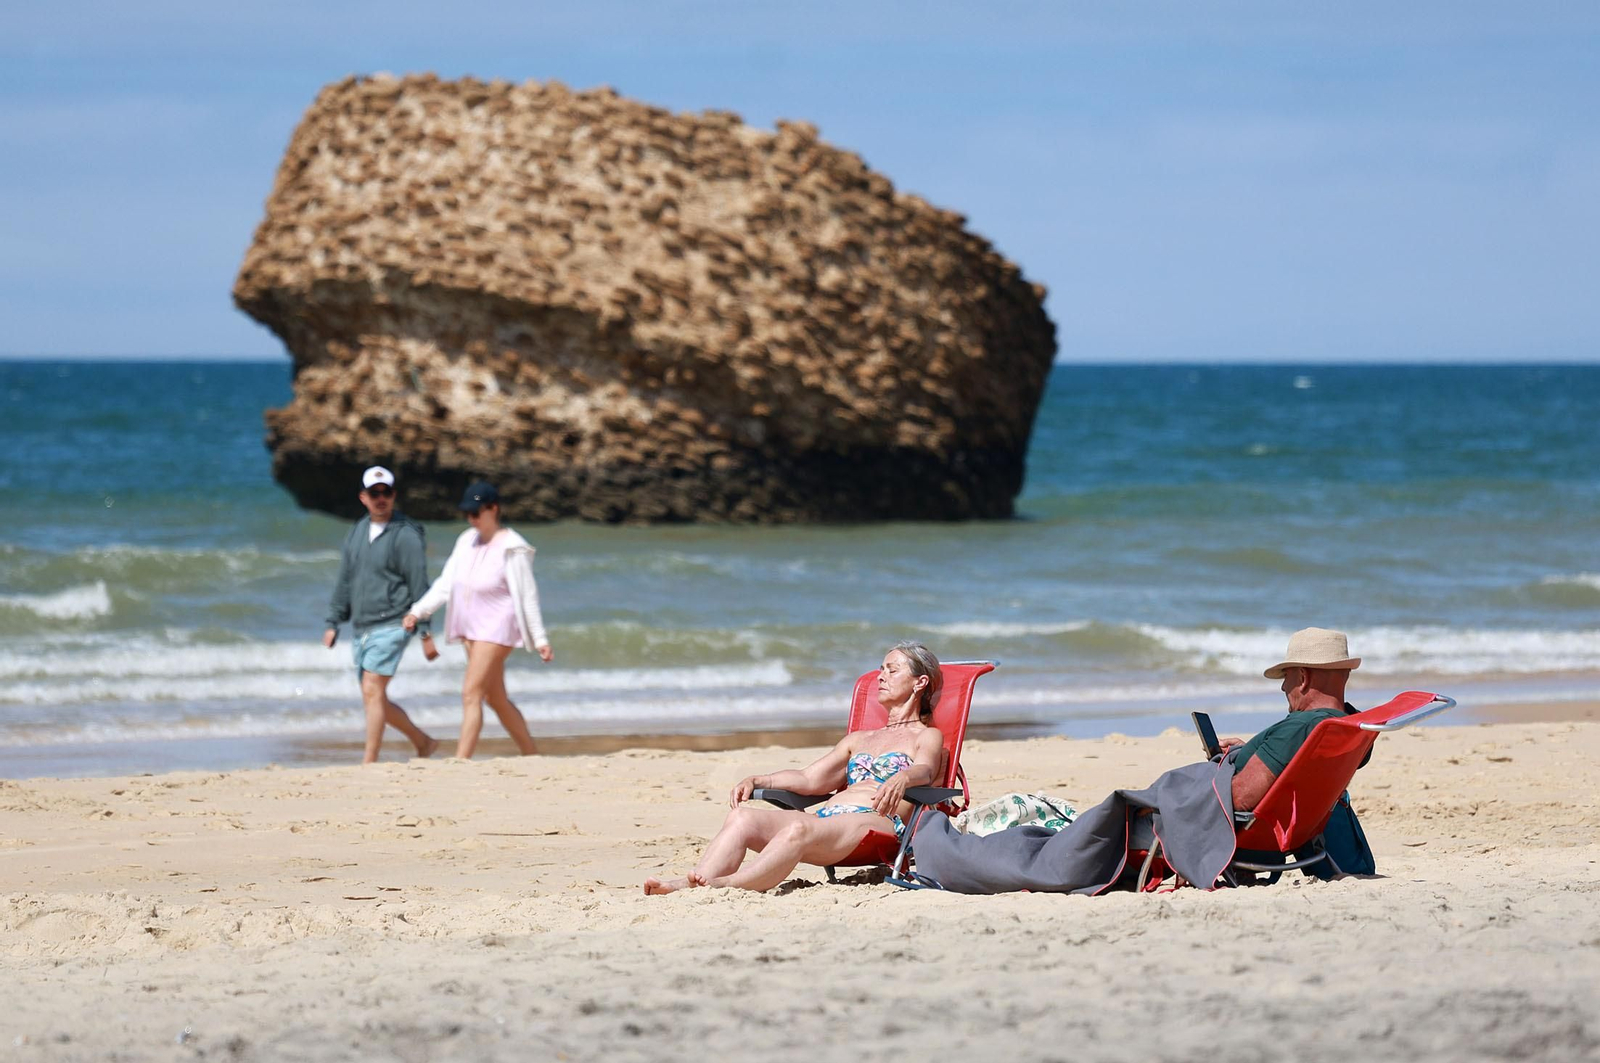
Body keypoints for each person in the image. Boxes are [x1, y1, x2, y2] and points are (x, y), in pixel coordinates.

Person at [644, 642, 946, 895]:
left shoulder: (926, 736)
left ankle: (726, 884)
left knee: (799, 827)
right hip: (828, 823)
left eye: (892, 670)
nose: (880, 677)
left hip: (876, 825)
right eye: (881, 669)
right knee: (741, 817)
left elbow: (926, 770)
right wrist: (759, 780)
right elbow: (809, 778)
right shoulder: (859, 739)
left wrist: (903, 777)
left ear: (919, 682)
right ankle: (694, 882)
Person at [403, 482, 553, 759]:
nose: (471, 519)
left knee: (470, 693)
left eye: (475, 512)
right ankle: (532, 755)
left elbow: (528, 595)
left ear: (493, 509)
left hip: (498, 626)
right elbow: (446, 583)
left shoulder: (513, 547)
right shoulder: (466, 540)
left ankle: (461, 759)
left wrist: (540, 638)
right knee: (495, 698)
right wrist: (418, 611)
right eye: (467, 513)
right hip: (470, 627)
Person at [323, 466, 439, 764]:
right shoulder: (357, 532)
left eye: (386, 492)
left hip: (395, 622)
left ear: (394, 495)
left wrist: (425, 631)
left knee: (372, 689)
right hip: (363, 625)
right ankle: (423, 742)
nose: (380, 498)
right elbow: (345, 579)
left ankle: (369, 761)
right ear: (363, 497)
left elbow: (419, 583)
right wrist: (333, 621)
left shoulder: (406, 534)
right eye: (374, 493)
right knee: (374, 696)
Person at [1222, 627, 1365, 812]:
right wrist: (1258, 752)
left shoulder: (1300, 728)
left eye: (1286, 676)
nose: (1283, 687)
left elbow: (1240, 799)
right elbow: (1298, 763)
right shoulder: (1353, 727)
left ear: (1303, 678)